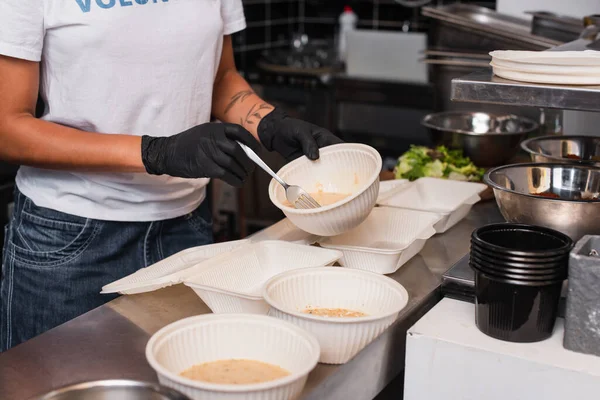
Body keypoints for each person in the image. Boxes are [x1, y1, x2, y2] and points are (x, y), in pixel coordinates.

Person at [0, 0, 342, 352]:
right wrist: (156, 153)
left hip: (185, 230)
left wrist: (268, 123)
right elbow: (7, 128)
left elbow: (220, 75)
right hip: (70, 240)